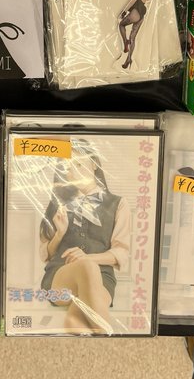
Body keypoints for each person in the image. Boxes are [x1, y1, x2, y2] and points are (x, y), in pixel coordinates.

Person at [39, 140, 130, 334]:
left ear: (94, 164)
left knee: (77, 319)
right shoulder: (58, 204)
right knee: (87, 268)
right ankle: (107, 341)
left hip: (103, 278)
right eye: (68, 168)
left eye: (79, 164)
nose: (74, 171)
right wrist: (60, 233)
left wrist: (88, 258)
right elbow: (45, 255)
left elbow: (121, 253)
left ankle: (77, 328)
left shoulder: (119, 204)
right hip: (60, 276)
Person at [118, 0, 152, 69]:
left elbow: (132, 1)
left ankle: (125, 42)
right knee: (133, 37)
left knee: (121, 25)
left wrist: (124, 11)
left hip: (135, 13)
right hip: (141, 16)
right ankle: (129, 59)